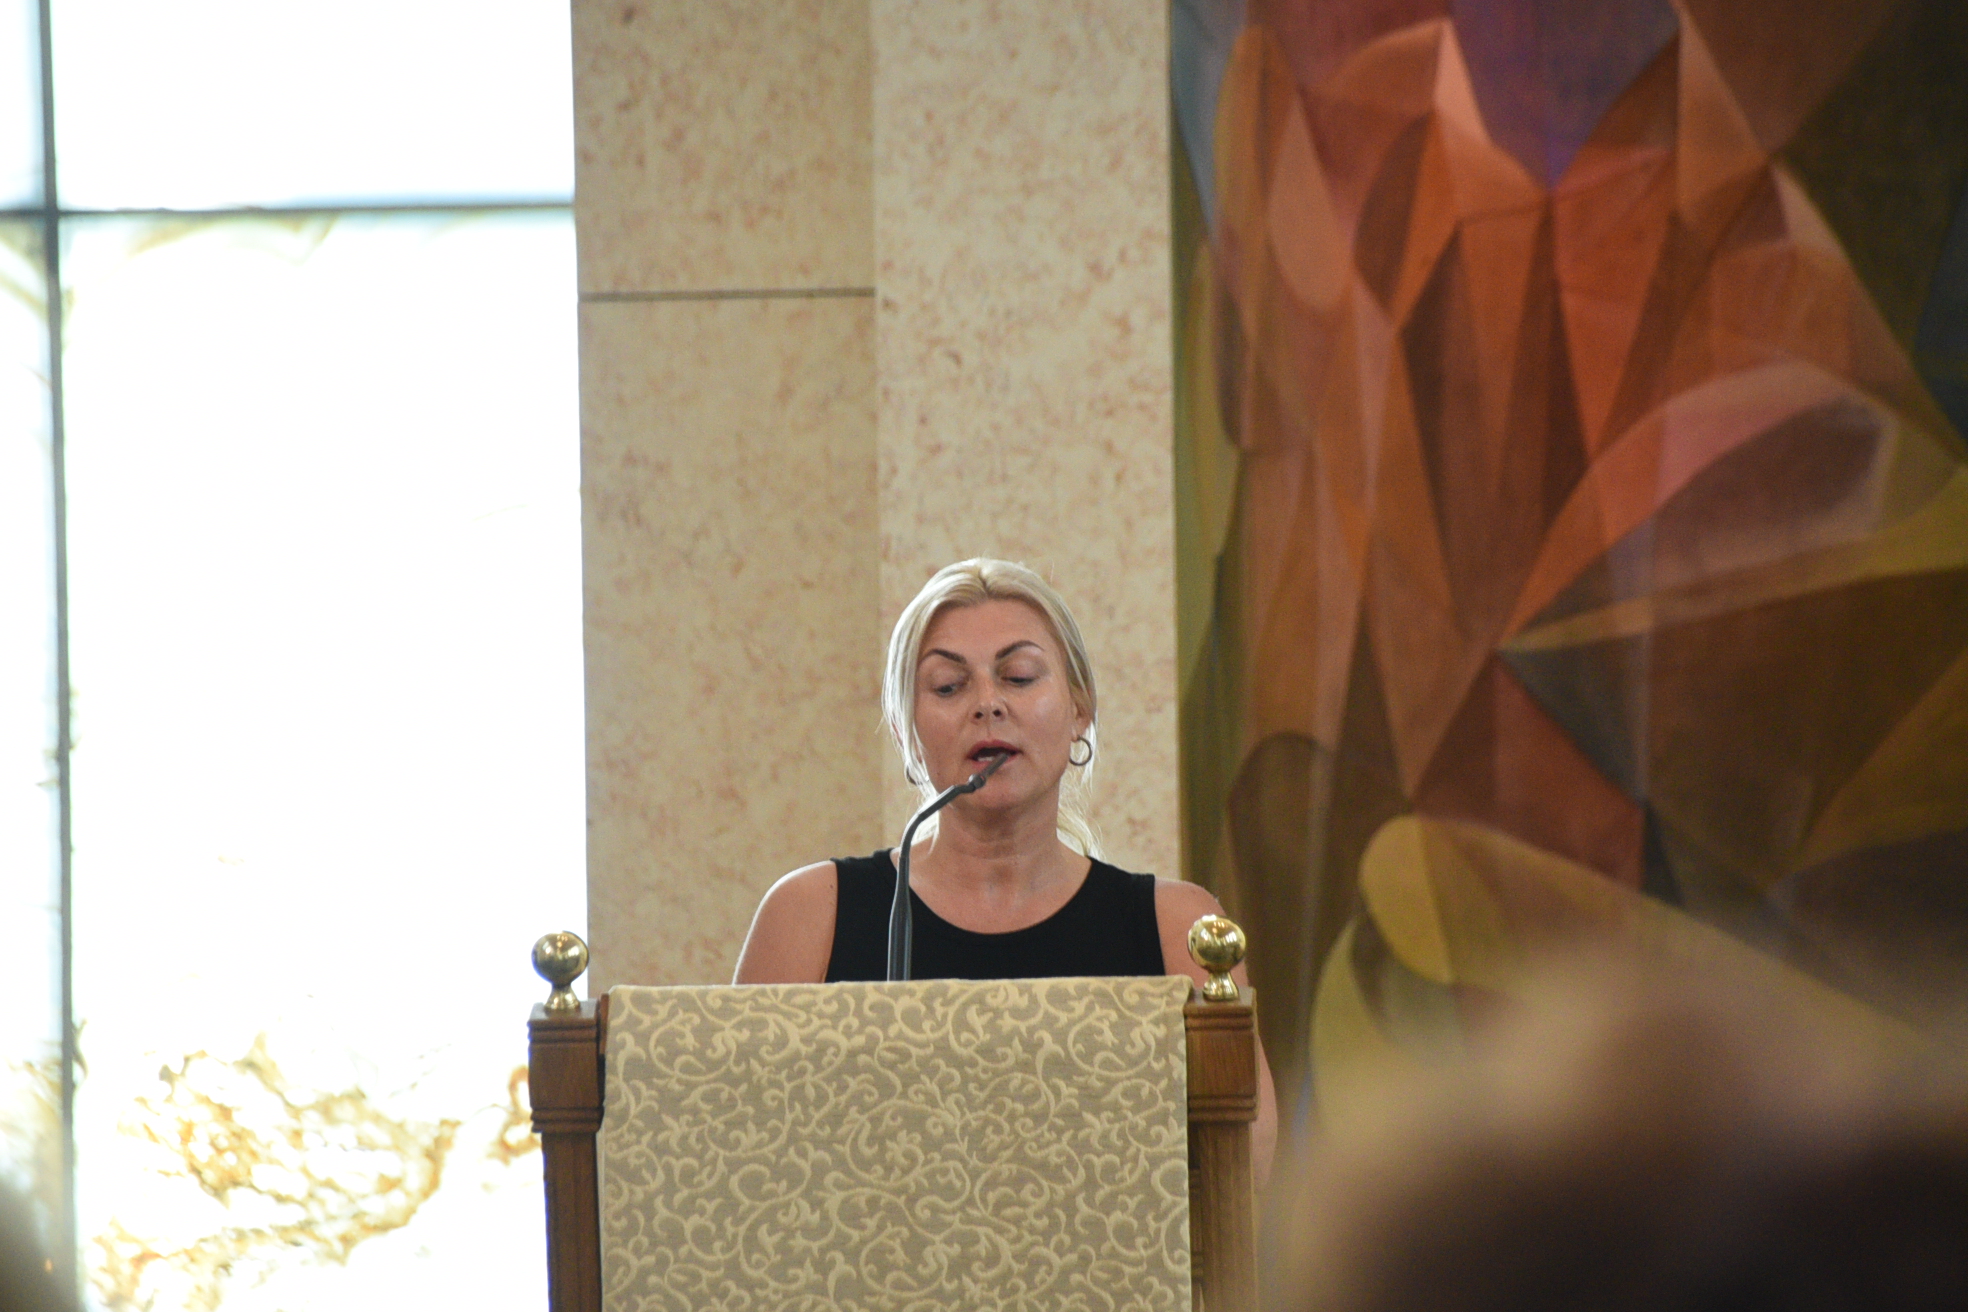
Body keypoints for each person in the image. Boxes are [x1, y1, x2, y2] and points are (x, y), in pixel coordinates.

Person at [735, 557, 1277, 1177]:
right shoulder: (811, 916)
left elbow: (1248, 1176)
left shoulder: (1182, 928)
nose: (987, 704)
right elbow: (740, 1158)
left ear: (1080, 710)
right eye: (948, 686)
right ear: (907, 732)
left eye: (1018, 677)